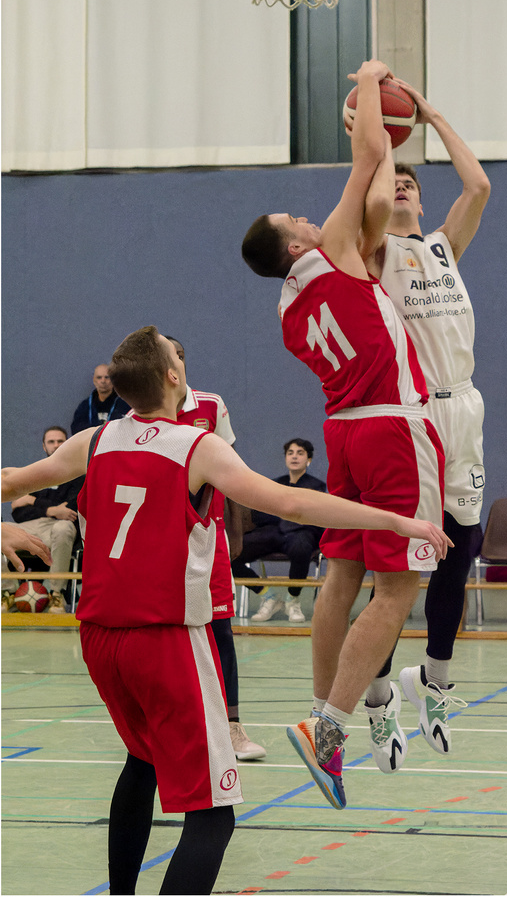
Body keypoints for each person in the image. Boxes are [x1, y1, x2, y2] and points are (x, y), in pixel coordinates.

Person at [1, 325, 447, 891]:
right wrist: (396, 519)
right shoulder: (195, 445)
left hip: (98, 637)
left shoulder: (93, 440)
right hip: (162, 639)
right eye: (172, 352)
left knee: (142, 763)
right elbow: (291, 502)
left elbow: (11, 479)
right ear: (172, 375)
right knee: (214, 815)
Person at [242, 59, 449, 807]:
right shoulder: (328, 247)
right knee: (399, 587)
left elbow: (372, 189)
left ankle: (321, 713)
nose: (302, 216)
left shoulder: (289, 309)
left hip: (343, 431)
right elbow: (366, 162)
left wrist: (385, 136)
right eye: (290, 221)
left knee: (342, 578)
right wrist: (366, 80)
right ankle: (327, 725)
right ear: (294, 247)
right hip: (394, 425)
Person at [360, 78, 490, 756]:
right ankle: (377, 695)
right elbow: (372, 200)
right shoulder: (376, 251)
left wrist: (432, 115)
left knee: (460, 552)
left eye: (412, 180)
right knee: (397, 570)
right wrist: (379, 145)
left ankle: (431, 680)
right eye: (397, 181)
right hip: (413, 417)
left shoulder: (442, 245)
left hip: (463, 407)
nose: (404, 186)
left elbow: (478, 189)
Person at [165, 335, 266, 762]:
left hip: (209, 536)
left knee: (220, 630)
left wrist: (237, 530)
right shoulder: (138, 414)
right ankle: (178, 727)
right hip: (164, 539)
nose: (179, 364)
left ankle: (232, 728)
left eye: (182, 355)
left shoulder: (210, 405)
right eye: (172, 357)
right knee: (167, 634)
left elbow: (234, 471)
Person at [234, 438, 326, 623]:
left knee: (301, 547)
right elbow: (261, 515)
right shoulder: (274, 485)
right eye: (290, 453)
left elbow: (314, 518)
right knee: (232, 552)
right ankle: (268, 596)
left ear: (309, 459)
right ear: (285, 458)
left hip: (301, 532)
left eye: (300, 453)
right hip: (275, 532)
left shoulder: (316, 486)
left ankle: (293, 599)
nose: (294, 457)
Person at [2, 426, 83, 613]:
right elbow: (19, 512)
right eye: (51, 442)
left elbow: (71, 511)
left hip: (61, 529)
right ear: (44, 447)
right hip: (32, 527)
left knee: (63, 527)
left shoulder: (78, 474)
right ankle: (7, 593)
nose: (56, 445)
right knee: (2, 528)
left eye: (60, 441)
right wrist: (51, 509)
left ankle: (56, 595)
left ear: (68, 444)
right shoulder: (34, 473)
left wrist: (32, 501)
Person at [70, 364, 130, 434]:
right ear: (94, 380)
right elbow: (76, 430)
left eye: (107, 377)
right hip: (90, 443)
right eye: (99, 377)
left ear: (113, 380)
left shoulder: (124, 405)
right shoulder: (85, 406)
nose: (103, 381)